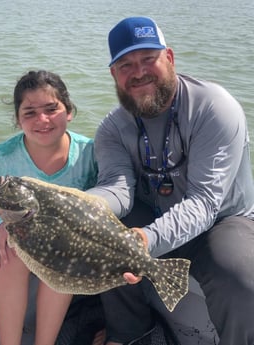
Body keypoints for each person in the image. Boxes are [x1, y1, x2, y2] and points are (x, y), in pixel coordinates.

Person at [88, 16, 254, 345]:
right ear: (113, 74)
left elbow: (206, 203)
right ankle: (127, 334)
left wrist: (146, 241)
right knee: (105, 232)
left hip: (222, 221)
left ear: (170, 58)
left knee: (242, 281)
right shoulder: (112, 129)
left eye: (148, 59)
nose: (138, 72)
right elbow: (118, 191)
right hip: (156, 214)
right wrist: (86, 204)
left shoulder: (214, 108)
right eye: (125, 65)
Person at [0, 70, 98, 345]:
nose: (42, 120)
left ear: (69, 112)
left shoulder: (90, 153)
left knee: (62, 254)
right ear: (18, 120)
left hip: (66, 253)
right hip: (18, 249)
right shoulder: (0, 158)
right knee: (10, 251)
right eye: (29, 112)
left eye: (51, 109)